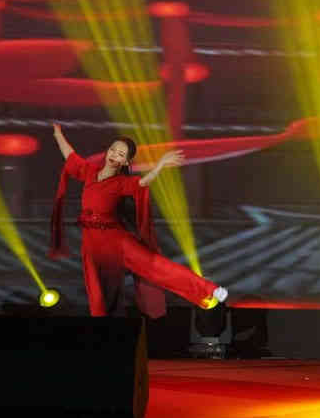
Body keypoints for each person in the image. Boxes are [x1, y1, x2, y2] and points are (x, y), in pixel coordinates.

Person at [48, 124, 227, 318]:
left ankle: (209, 289)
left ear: (125, 162)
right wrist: (57, 134)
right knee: (97, 297)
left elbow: (143, 182)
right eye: (113, 150)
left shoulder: (120, 183)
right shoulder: (89, 171)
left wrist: (160, 164)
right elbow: (70, 155)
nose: (114, 155)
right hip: (91, 244)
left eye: (120, 154)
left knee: (156, 266)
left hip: (116, 241)